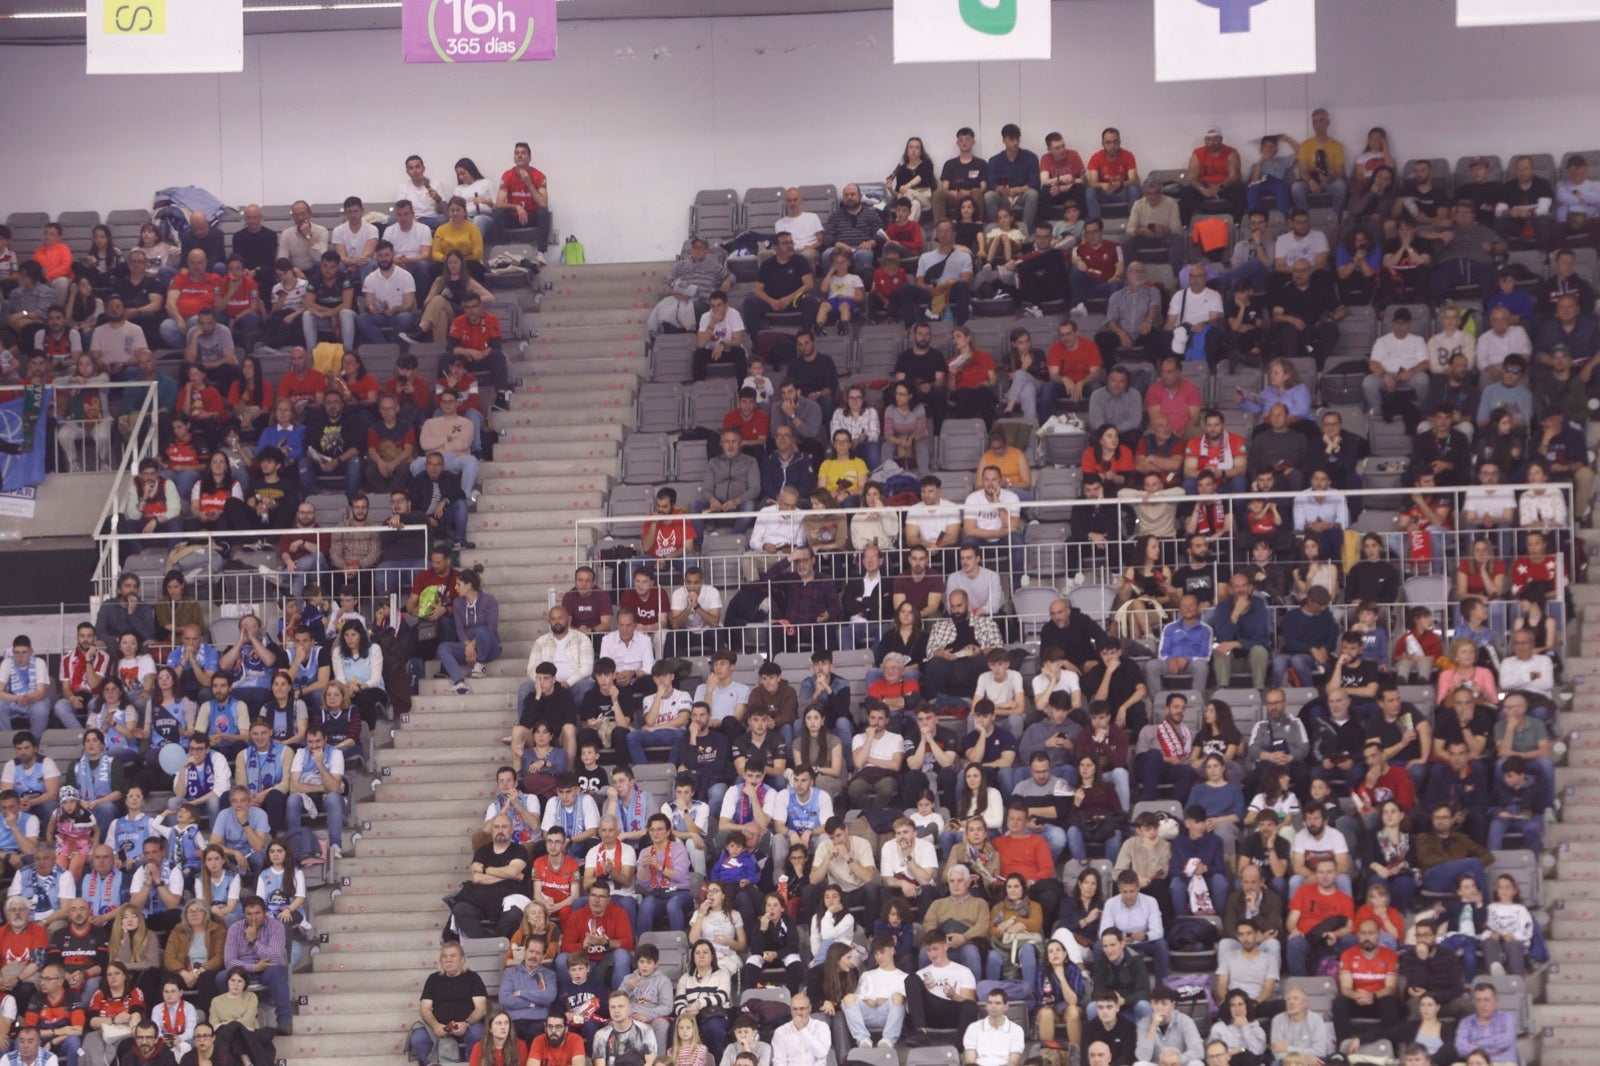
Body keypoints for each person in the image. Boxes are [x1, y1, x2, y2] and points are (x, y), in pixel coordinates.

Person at [411, 941, 489, 1065]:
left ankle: (471, 1063)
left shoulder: (473, 978)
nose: (448, 960)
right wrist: (435, 1025)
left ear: (462, 959)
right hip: (439, 1027)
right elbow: (424, 1008)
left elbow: (481, 1008)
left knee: (477, 1034)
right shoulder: (433, 979)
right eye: (445, 956)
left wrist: (466, 1023)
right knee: (418, 1038)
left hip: (468, 1026)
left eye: (453, 956)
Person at [1453, 983, 1519, 1066]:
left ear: (1495, 1001)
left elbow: (1506, 1041)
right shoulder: (1466, 1022)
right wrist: (1491, 1050)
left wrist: (1476, 1043)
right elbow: (1461, 1049)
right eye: (1478, 1000)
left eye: (1486, 1000)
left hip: (1501, 1063)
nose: (1482, 1004)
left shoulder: (1507, 1018)